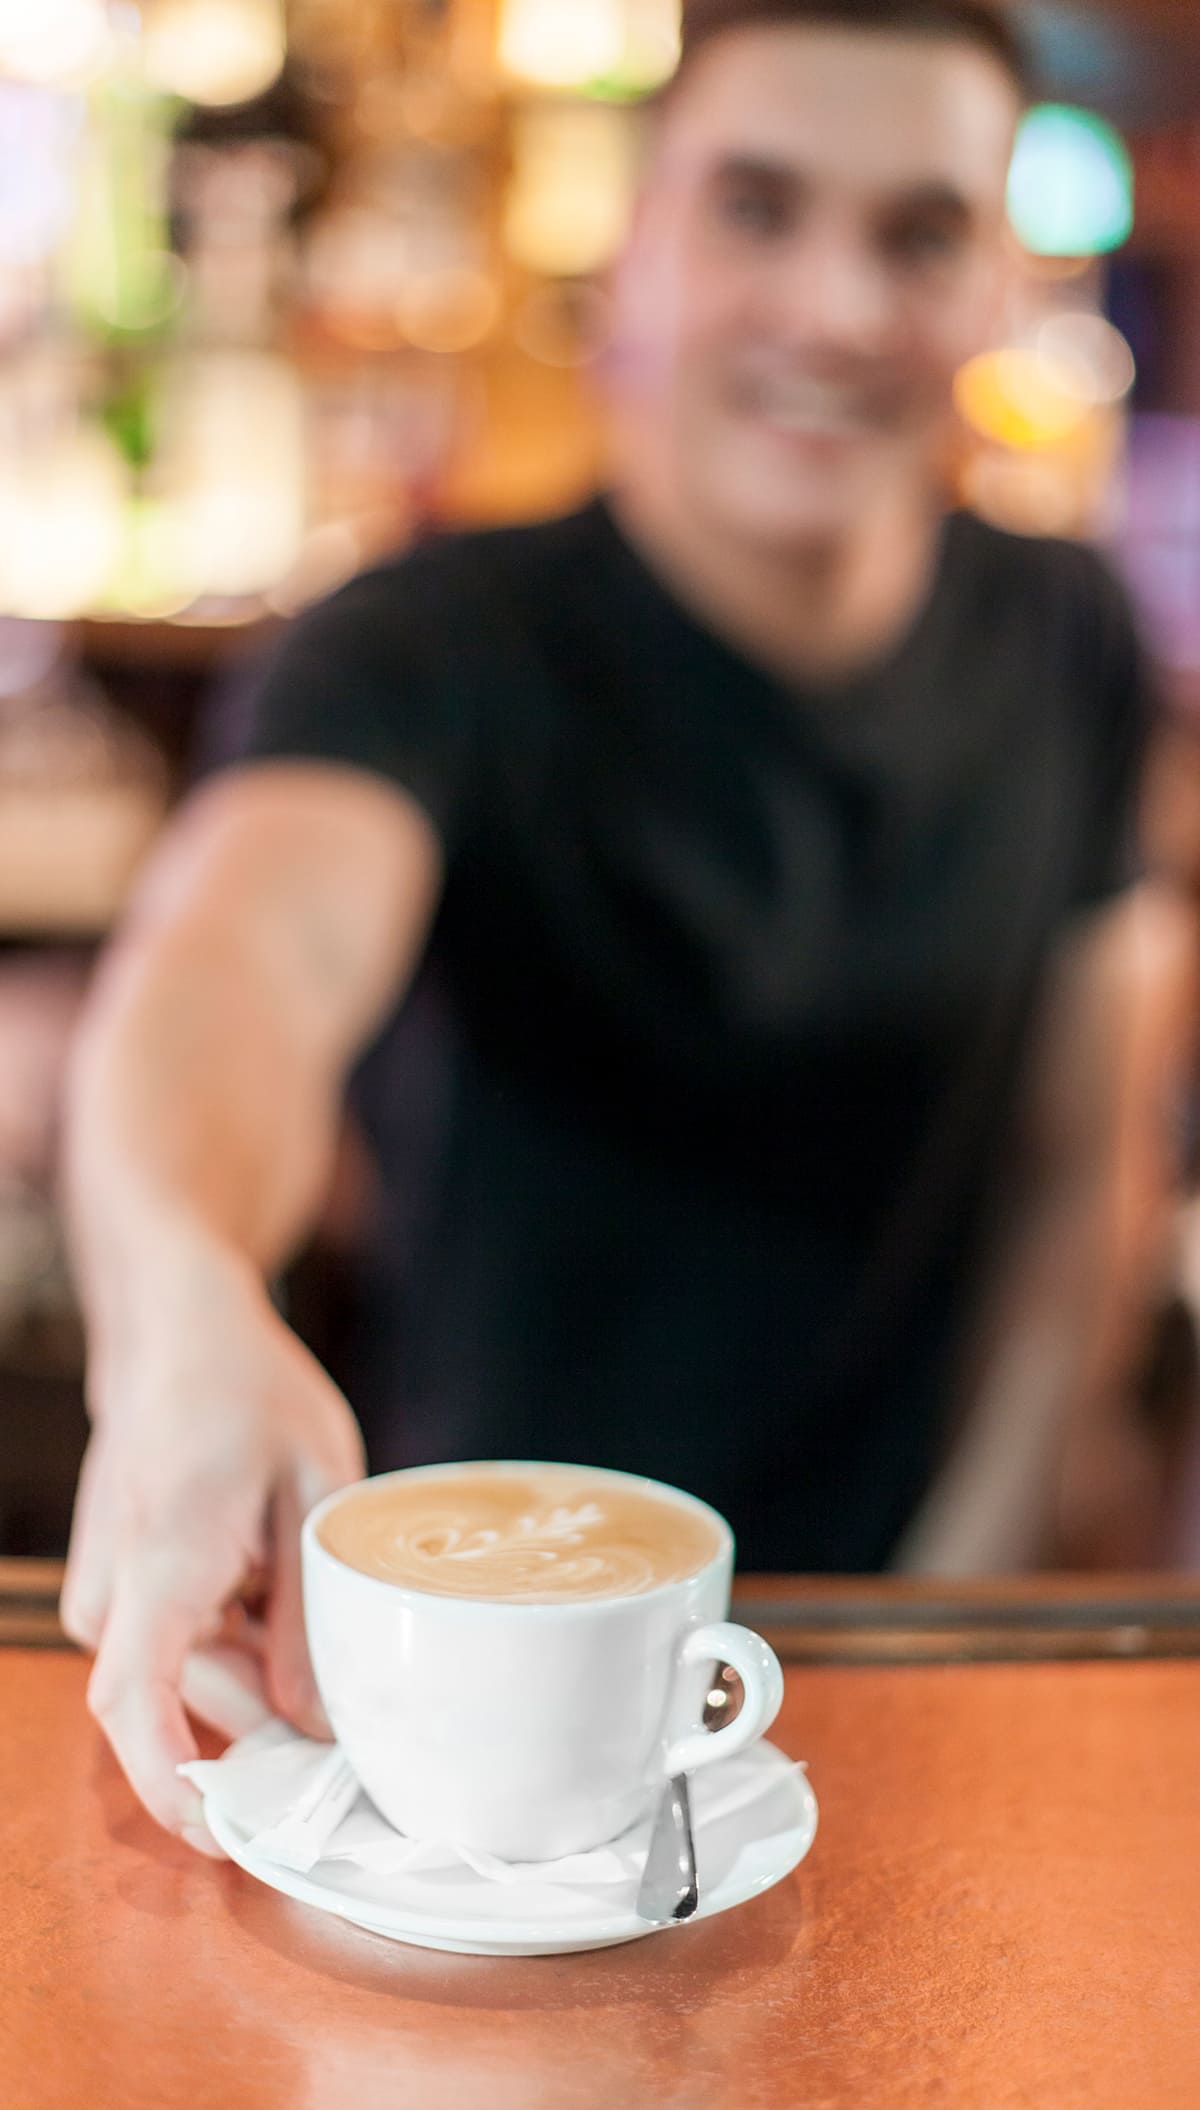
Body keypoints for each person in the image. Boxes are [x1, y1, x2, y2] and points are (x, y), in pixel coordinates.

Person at [61, 0, 1187, 1855]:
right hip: (480, 1699)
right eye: (757, 208)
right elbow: (234, 966)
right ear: (637, 244)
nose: (833, 307)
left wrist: (967, 1578)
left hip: (913, 1653)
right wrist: (181, 1308)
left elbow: (1088, 1160)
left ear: (998, 280)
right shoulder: (429, 646)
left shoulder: (1064, 642)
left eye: (916, 234)